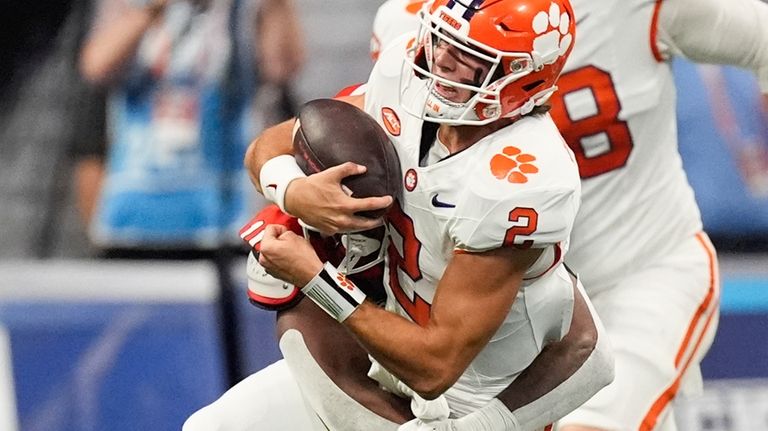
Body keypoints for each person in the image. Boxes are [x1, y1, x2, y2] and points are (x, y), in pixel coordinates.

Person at [185, 0, 617, 429]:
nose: (440, 61)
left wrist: (316, 278)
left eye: (469, 57)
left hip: (472, 398)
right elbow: (269, 146)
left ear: (522, 77)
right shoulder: (407, 73)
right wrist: (294, 192)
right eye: (441, 40)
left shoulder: (522, 180)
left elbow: (434, 367)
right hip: (386, 364)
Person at [370, 0, 768, 429]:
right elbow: (377, 131)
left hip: (642, 272)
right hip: (513, 301)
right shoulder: (421, 18)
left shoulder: (634, 8)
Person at [79, 0, 303, 253]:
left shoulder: (244, 9)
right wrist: (152, 9)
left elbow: (282, 69)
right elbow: (96, 66)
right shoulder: (134, 6)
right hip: (134, 215)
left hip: (221, 218)